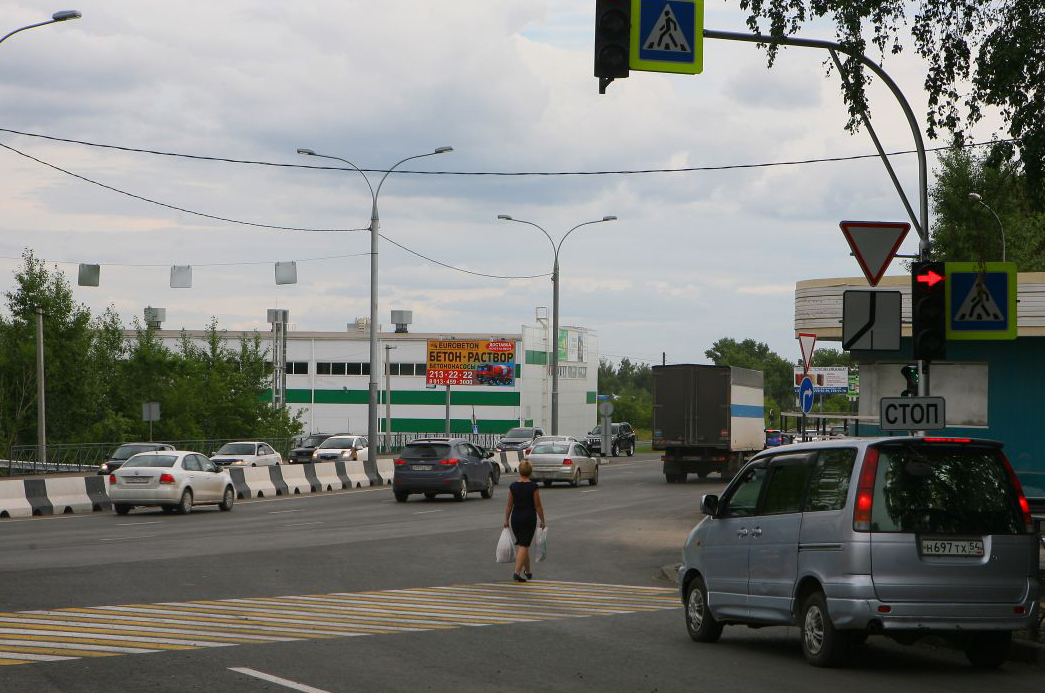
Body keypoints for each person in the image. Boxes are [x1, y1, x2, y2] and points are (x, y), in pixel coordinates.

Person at [503, 459, 546, 582]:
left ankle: (527, 571)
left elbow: (509, 505)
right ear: (530, 472)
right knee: (524, 545)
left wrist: (506, 520)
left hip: (515, 519)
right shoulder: (533, 487)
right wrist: (542, 520)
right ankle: (516, 572)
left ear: (519, 471)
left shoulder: (513, 486)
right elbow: (538, 505)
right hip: (528, 518)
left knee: (523, 545)